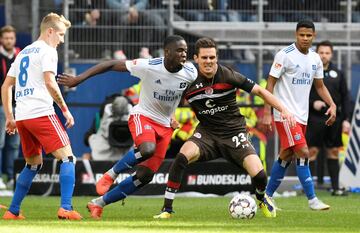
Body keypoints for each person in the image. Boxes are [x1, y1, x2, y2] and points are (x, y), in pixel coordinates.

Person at [152, 37, 296, 219]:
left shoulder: (228, 75)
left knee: (259, 175)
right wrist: (170, 114)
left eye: (212, 57)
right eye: (204, 58)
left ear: (217, 58)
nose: (208, 62)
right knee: (181, 157)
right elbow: (169, 97)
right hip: (207, 133)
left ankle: (261, 199)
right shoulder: (188, 79)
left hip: (234, 132)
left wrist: (283, 109)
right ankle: (167, 209)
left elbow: (260, 91)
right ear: (195, 58)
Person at [57, 35, 198, 219]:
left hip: (165, 126)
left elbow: (180, 92)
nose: (184, 54)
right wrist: (79, 79)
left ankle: (98, 203)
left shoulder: (190, 72)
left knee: (144, 177)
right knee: (147, 149)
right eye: (179, 50)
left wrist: (171, 115)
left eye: (185, 50)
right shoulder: (149, 66)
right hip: (143, 117)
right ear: (167, 52)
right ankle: (111, 174)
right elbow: (109, 64)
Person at [1, 13, 82, 220]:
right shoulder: (48, 50)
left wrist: (10, 116)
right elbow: (49, 81)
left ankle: (13, 211)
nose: (62, 40)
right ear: (50, 31)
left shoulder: (23, 52)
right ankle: (66, 207)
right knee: (68, 158)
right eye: (61, 35)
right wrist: (64, 109)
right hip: (41, 113)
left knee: (33, 164)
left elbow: (6, 86)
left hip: (22, 116)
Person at [263, 20, 336, 210]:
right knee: (303, 152)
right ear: (296, 34)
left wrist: (332, 104)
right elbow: (269, 84)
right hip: (285, 114)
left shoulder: (315, 59)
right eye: (301, 35)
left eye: (308, 35)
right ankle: (312, 200)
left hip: (302, 116)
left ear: (314, 36)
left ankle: (266, 196)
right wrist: (267, 112)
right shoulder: (284, 55)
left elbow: (319, 86)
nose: (305, 38)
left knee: (286, 155)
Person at [306, 40, 351, 196]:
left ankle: (335, 188)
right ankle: (309, 190)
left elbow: (345, 98)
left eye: (327, 53)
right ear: (316, 53)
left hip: (334, 119)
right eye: (321, 52)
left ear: (331, 55)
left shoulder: (338, 74)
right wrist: (313, 103)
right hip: (314, 118)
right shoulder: (309, 73)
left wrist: (346, 119)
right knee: (311, 152)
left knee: (333, 151)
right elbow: (301, 95)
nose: (324, 56)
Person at [0, 25, 21, 190]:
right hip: (1, 107)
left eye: (11, 38)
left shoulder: (20, 56)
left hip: (18, 106)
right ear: (1, 39)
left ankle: (11, 176)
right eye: (6, 38)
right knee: (0, 143)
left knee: (14, 144)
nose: (9, 41)